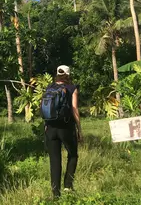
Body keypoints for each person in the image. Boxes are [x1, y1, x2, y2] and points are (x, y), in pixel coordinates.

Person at [44, 65, 82, 198]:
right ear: (68, 74)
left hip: (50, 128)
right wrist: (79, 130)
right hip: (66, 128)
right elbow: (74, 109)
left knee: (54, 161)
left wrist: (46, 125)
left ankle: (55, 194)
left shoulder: (50, 88)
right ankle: (68, 185)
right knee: (73, 154)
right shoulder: (72, 88)